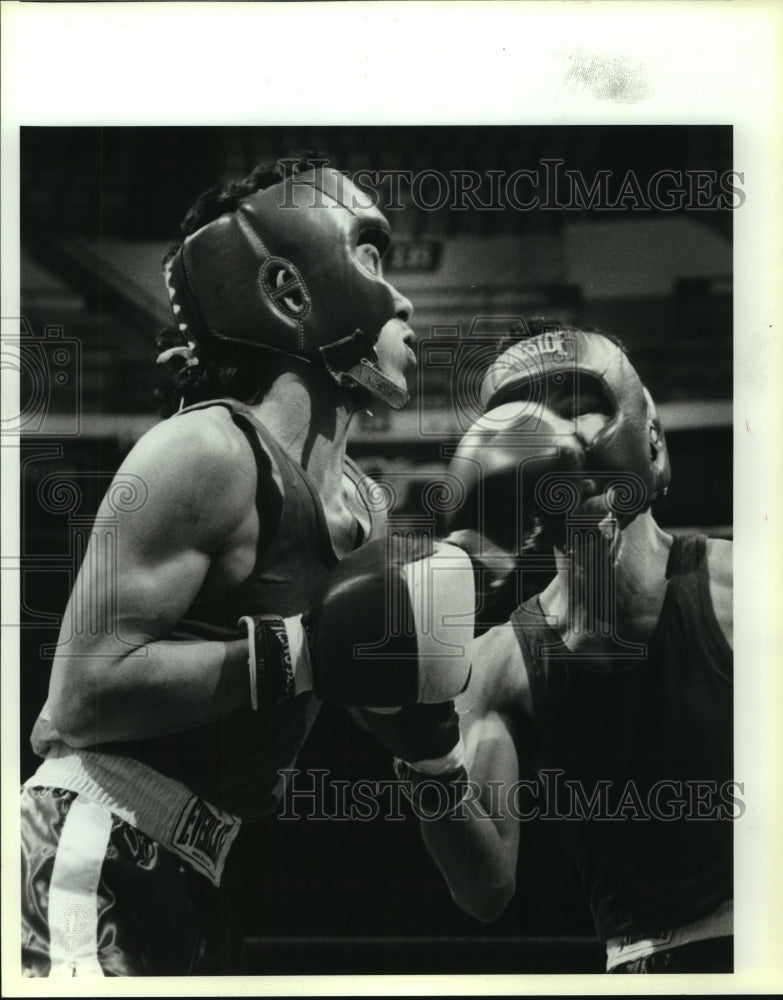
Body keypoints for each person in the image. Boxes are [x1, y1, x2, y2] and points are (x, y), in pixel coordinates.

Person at [19, 156, 461, 976]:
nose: (400, 297)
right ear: (292, 292)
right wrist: (301, 651)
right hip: (91, 839)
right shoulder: (205, 449)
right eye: (368, 256)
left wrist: (421, 722)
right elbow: (77, 697)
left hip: (200, 869)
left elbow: (331, 670)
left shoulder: (363, 512)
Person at [363, 318, 734, 974]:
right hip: (643, 963)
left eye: (578, 406)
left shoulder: (747, 589)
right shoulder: (496, 664)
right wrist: (422, 755)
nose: (554, 436)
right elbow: (483, 890)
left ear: (646, 435)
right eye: (524, 418)